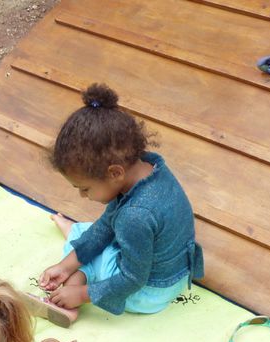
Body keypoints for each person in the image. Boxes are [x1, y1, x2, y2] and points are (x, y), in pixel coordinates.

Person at [29, 83, 204, 327]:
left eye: (85, 188)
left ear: (114, 173)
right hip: (174, 274)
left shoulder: (135, 216)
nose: (82, 195)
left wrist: (80, 293)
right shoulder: (150, 169)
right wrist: (64, 266)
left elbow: (132, 279)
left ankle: (72, 293)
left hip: (148, 294)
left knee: (93, 248)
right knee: (93, 233)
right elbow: (106, 225)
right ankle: (74, 251)